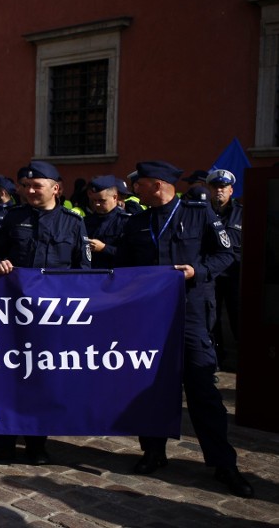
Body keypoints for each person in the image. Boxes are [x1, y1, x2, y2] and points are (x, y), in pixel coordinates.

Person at [115, 160, 253, 498]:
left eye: (141, 184)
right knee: (150, 386)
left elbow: (226, 256)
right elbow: (124, 265)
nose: (135, 189)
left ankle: (223, 463)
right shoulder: (138, 221)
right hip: (149, 317)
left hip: (190, 313)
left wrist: (197, 271)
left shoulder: (199, 213)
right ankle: (153, 451)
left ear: (158, 184)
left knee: (202, 389)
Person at [0, 160, 90, 466]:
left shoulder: (73, 222)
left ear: (56, 188)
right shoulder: (14, 218)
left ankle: (37, 444)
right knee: (6, 377)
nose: (29, 191)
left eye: (36, 186)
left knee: (42, 380)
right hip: (13, 314)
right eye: (25, 186)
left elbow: (85, 270)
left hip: (51, 317)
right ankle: (1, 442)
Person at [205, 169, 242, 371]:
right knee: (212, 319)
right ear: (209, 189)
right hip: (211, 275)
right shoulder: (202, 212)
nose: (219, 191)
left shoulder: (243, 213)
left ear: (231, 190)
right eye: (215, 187)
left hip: (236, 275)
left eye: (223, 187)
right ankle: (215, 360)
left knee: (239, 318)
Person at [84, 175, 130, 269]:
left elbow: (130, 255)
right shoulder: (86, 221)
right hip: (91, 275)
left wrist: (104, 248)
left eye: (102, 200)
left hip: (115, 274)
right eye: (94, 200)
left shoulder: (125, 221)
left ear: (115, 197)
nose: (97, 204)